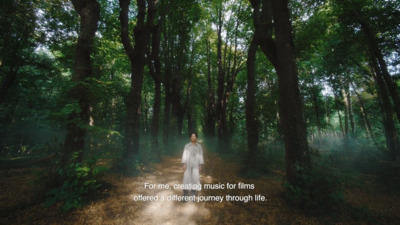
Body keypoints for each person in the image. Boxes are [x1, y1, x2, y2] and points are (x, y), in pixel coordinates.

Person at [181, 132, 204, 199]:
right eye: (192, 136)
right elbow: (184, 154)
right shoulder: (187, 146)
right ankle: (185, 195)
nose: (193, 137)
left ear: (196, 137)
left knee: (195, 179)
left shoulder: (199, 146)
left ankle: (193, 195)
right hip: (188, 164)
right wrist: (184, 164)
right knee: (186, 179)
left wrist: (200, 165)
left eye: (194, 136)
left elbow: (201, 155)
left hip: (196, 165)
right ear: (190, 137)